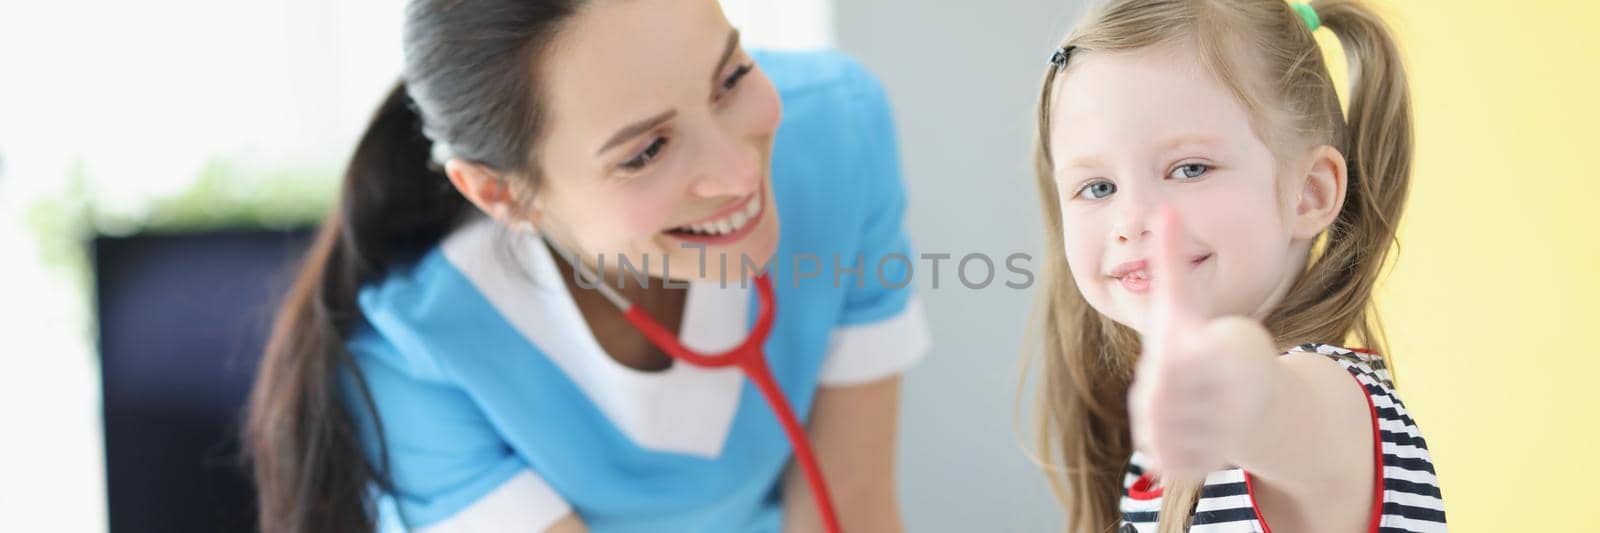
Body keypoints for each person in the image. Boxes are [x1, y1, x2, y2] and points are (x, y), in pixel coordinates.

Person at [244, 0, 930, 531]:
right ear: (501, 193)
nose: (737, 170)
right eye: (645, 151)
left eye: (731, 77)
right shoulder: (416, 358)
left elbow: (856, 506)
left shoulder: (840, 134)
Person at [1026, 1, 1445, 531]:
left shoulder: (1336, 401)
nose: (1129, 220)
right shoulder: (1166, 447)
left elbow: (1267, 400)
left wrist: (1228, 377)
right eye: (1098, 187)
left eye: (1189, 168)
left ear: (1308, 193)